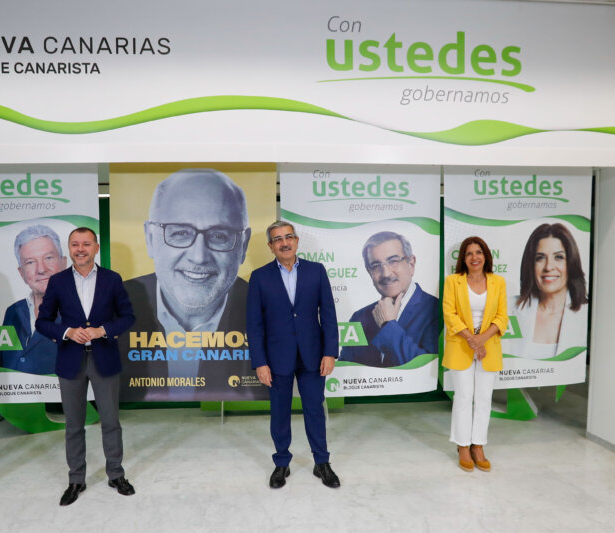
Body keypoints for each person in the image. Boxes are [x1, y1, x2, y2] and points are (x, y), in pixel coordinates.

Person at [120, 168, 253, 400]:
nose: (199, 256)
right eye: (180, 232)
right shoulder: (116, 304)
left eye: (219, 235)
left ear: (243, 245)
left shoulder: (264, 310)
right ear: (151, 238)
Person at [35, 227, 136, 506]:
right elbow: (43, 322)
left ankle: (116, 474)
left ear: (96, 247)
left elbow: (128, 317)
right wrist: (67, 331)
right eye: (75, 244)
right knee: (73, 424)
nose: (81, 249)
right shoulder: (57, 281)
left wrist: (102, 330)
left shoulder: (112, 279)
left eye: (86, 244)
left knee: (111, 422)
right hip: (70, 360)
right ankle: (76, 479)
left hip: (104, 358)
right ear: (69, 249)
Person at [246, 221, 340, 489]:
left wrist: (330, 352)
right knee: (279, 412)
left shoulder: (316, 271)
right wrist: (260, 362)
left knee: (314, 410)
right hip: (276, 358)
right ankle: (281, 463)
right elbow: (254, 324)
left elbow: (329, 316)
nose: (284, 242)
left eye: (289, 237)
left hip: (313, 355)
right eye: (278, 239)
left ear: (297, 241)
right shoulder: (259, 277)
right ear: (270, 246)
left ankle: (322, 462)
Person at [442, 236, 508, 473]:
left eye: (478, 252)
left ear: (486, 256)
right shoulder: (453, 281)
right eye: (469, 253)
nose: (474, 257)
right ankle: (462, 445)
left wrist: (481, 339)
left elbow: (502, 317)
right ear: (463, 258)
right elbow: (450, 314)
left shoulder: (498, 282)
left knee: (483, 399)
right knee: (463, 396)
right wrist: (472, 339)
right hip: (461, 345)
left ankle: (478, 445)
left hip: (488, 347)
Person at [338, 231, 440, 367]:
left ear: (411, 264)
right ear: (369, 272)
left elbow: (428, 369)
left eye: (393, 261)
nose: (386, 273)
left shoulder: (437, 310)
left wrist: (388, 325)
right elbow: (347, 370)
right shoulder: (358, 318)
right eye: (375, 266)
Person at [0, 224, 66, 374]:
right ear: (21, 273)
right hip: (14, 396)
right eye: (30, 262)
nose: (41, 269)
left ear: (63, 263)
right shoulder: (13, 311)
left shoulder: (80, 310)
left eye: (49, 258)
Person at [511, 223, 588, 359]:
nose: (548, 267)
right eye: (540, 258)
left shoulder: (588, 314)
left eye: (558, 257)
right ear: (530, 265)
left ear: (571, 263)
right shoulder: (508, 308)